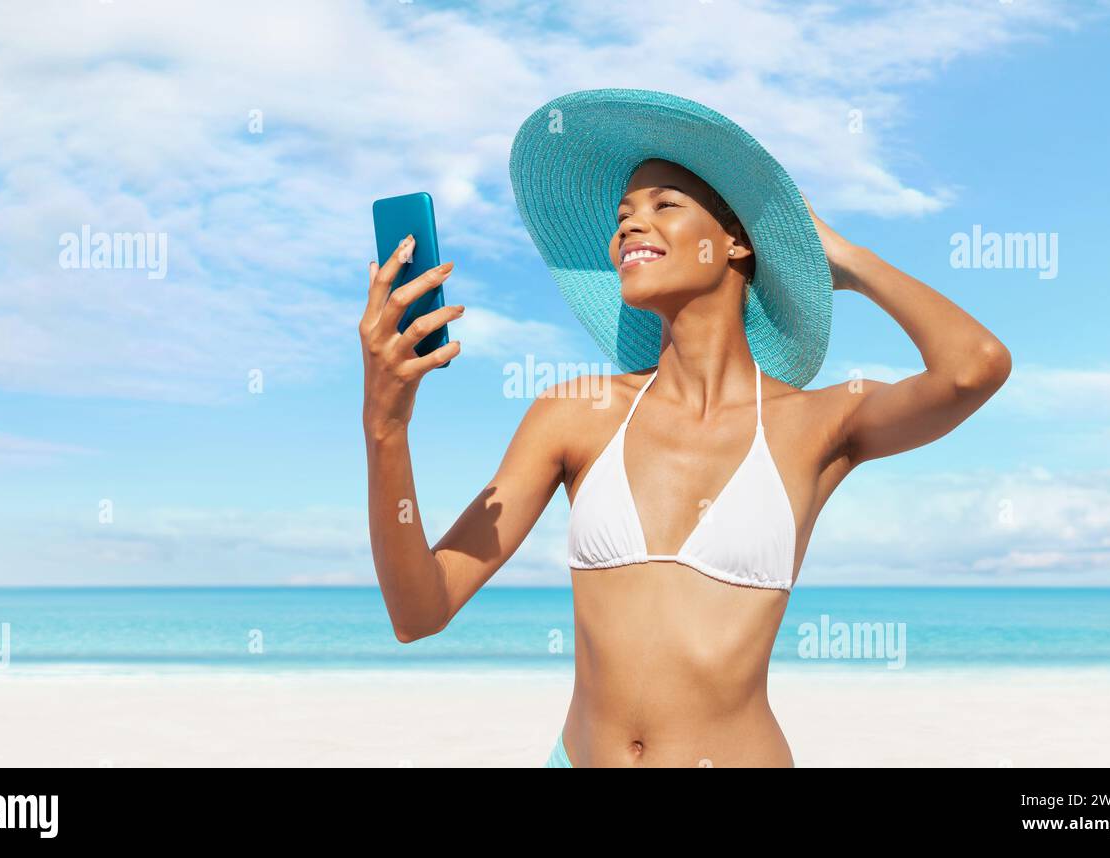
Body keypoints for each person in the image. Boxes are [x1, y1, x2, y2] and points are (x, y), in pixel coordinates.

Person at [359, 89, 1011, 767]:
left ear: (733, 242)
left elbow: (974, 368)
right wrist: (385, 425)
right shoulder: (574, 413)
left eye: (664, 205)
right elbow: (420, 611)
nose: (629, 228)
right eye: (622, 217)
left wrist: (842, 258)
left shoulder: (819, 422)